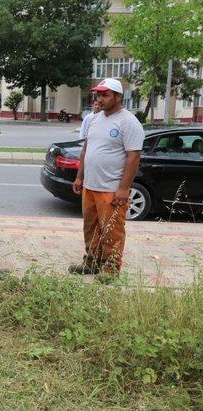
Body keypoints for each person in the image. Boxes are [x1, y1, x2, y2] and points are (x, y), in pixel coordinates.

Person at [69, 78, 144, 283]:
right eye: (97, 95)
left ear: (118, 97)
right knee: (90, 227)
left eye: (105, 95)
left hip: (111, 189)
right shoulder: (94, 119)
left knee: (112, 230)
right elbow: (87, 149)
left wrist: (124, 189)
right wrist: (80, 176)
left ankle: (111, 269)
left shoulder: (128, 122)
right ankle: (91, 262)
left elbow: (133, 157)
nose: (99, 99)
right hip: (90, 187)